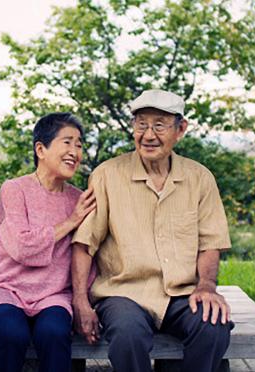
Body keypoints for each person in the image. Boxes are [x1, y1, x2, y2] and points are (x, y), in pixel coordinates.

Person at [71, 89, 233, 372]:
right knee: (127, 335)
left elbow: (211, 242)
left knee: (212, 325)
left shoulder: (200, 177)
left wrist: (207, 286)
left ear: (180, 129)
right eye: (141, 124)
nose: (148, 135)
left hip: (182, 293)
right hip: (123, 293)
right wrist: (80, 302)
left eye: (159, 125)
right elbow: (85, 244)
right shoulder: (107, 175)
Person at [0, 112, 96, 372]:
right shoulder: (14, 189)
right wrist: (70, 222)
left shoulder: (79, 199)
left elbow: (88, 250)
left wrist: (82, 299)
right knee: (11, 332)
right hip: (6, 288)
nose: (75, 151)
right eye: (67, 142)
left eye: (79, 144)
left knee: (53, 332)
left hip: (52, 295)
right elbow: (21, 247)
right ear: (40, 149)